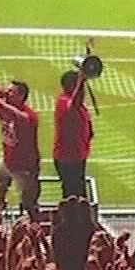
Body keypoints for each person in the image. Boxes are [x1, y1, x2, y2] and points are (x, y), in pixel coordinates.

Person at [0, 78, 40, 218]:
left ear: (21, 96)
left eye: (11, 92)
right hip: (8, 157)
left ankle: (32, 222)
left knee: (27, 199)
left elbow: (8, 109)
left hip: (24, 164)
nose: (7, 94)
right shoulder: (5, 108)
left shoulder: (27, 116)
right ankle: (0, 200)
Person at [53, 68, 94, 202]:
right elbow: (75, 103)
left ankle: (77, 215)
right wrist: (81, 81)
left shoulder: (79, 105)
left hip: (77, 155)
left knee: (79, 194)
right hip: (68, 157)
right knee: (72, 196)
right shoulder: (63, 101)